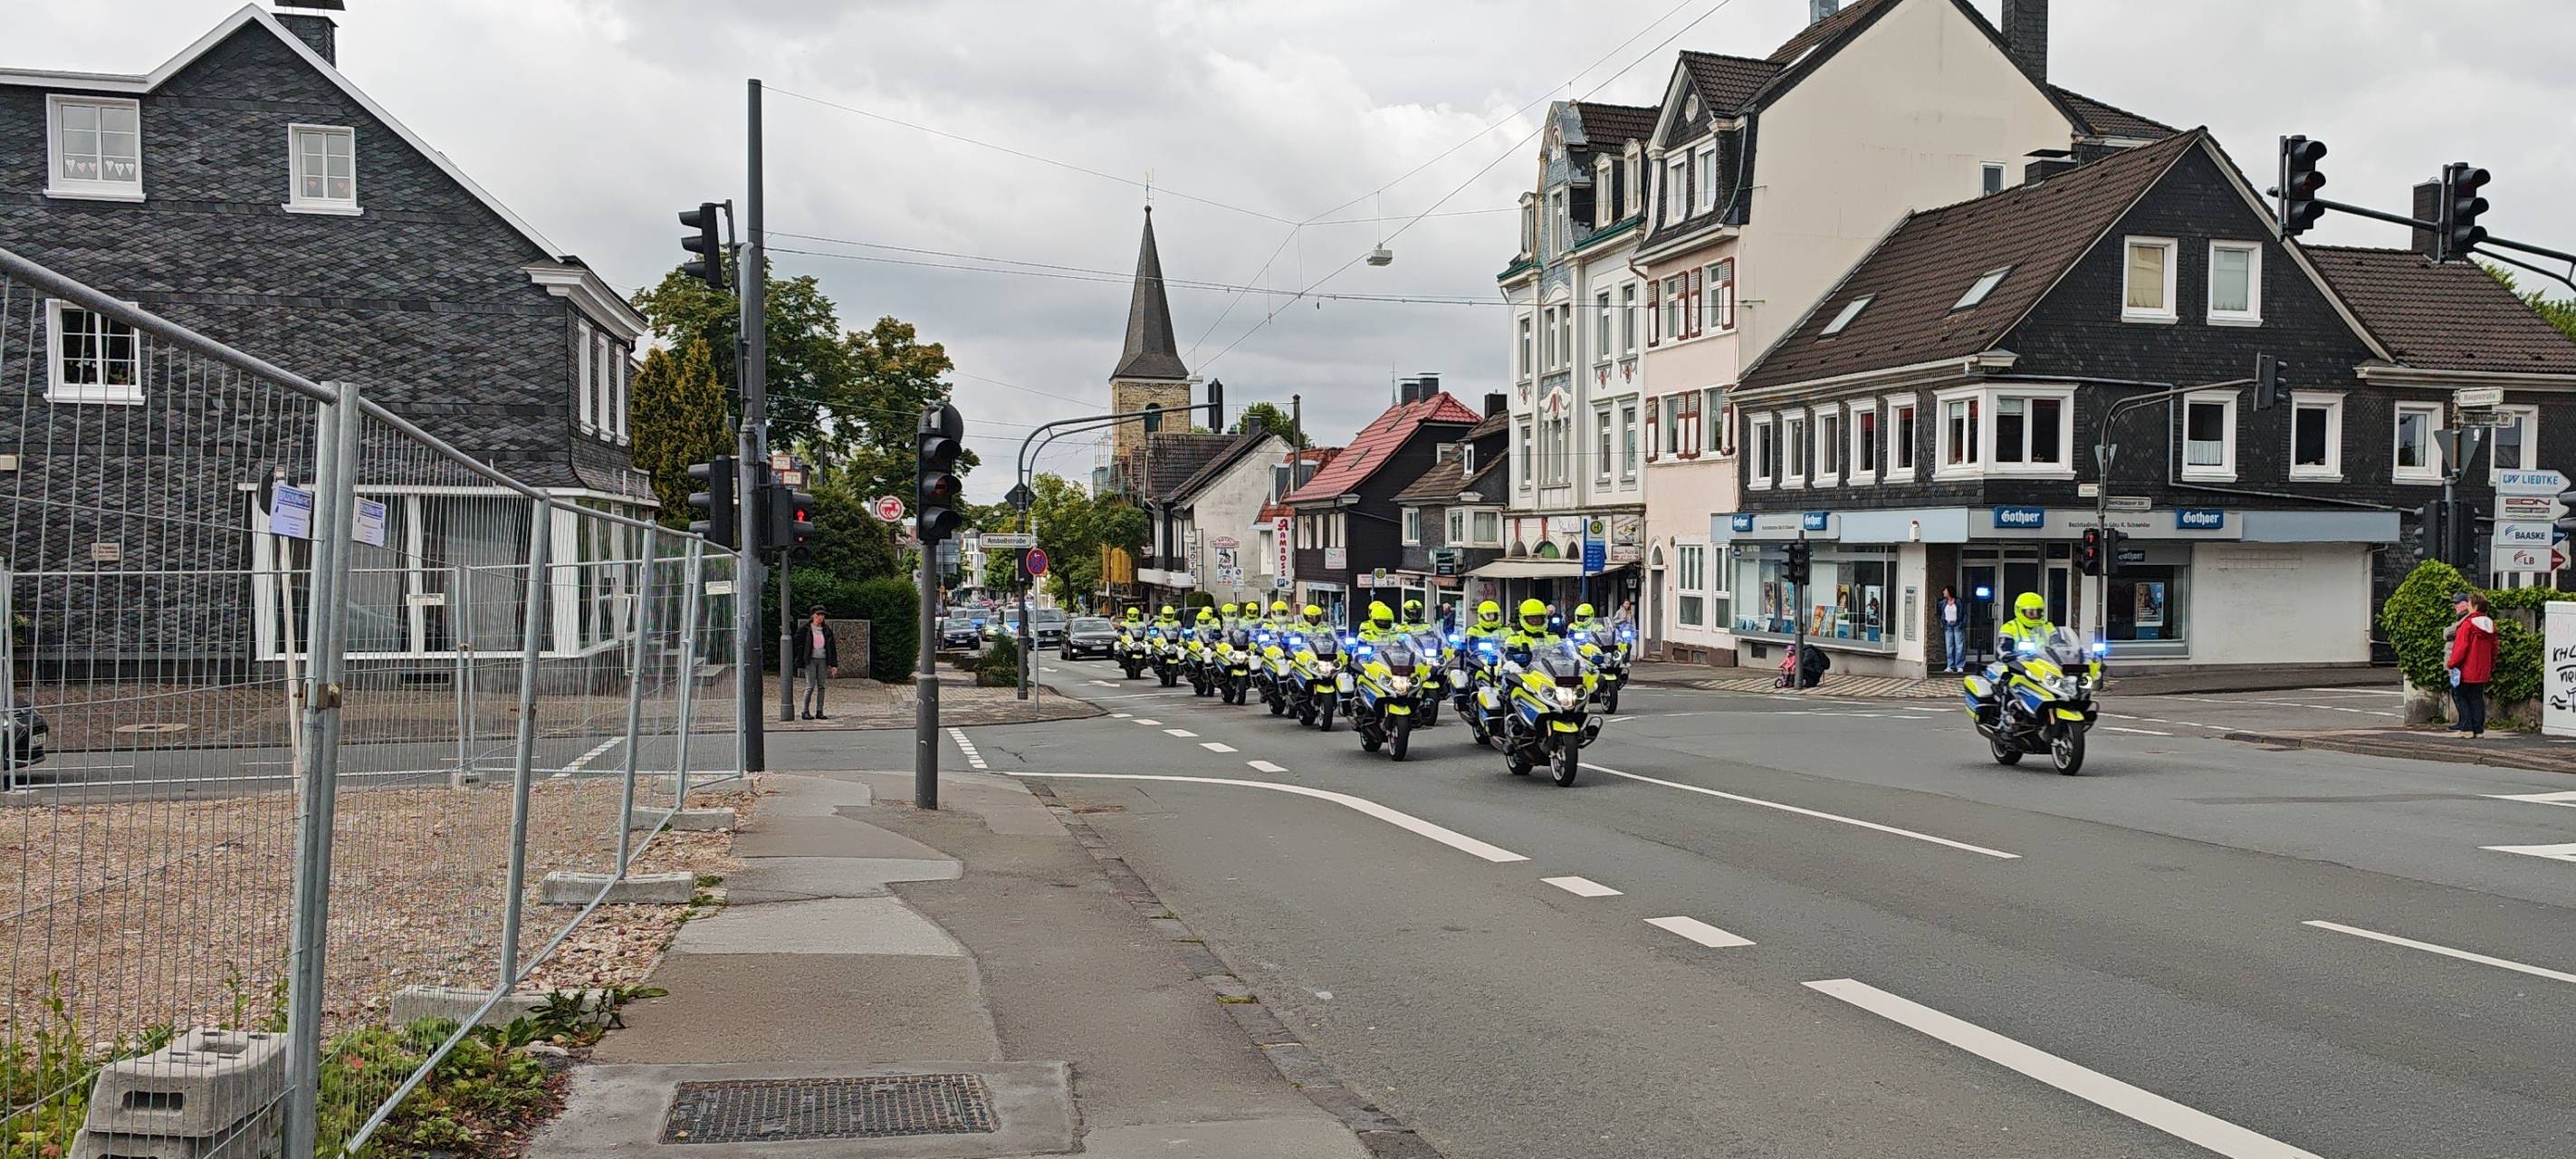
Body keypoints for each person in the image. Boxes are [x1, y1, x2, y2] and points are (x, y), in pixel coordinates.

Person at [2446, 591, 2497, 739]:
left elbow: (2461, 648)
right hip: (2482, 668)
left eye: (2468, 604)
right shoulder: (2490, 624)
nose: (2467, 607)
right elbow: (2494, 648)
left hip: (2466, 668)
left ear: (2474, 606)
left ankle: (2467, 728)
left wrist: (2451, 663)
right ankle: (2478, 729)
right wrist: (2491, 665)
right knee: (2476, 698)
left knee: (2461, 695)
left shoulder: (2467, 625)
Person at [793, 606, 838, 720]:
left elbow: (832, 648)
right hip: (810, 660)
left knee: (822, 686)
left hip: (823, 659)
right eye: (818, 615)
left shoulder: (827, 630)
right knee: (810, 686)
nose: (820, 617)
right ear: (813, 615)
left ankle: (819, 711)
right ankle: (805, 711)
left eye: (822, 615)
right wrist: (802, 656)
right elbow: (797, 642)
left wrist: (833, 665)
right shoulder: (806, 629)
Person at [1939, 586, 1966, 674]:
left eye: (1945, 591)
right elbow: (1941, 613)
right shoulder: (1943, 603)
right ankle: (1950, 665)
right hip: (1948, 625)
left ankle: (1960, 666)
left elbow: (1964, 613)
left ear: (1949, 592)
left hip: (1957, 625)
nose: (1943, 592)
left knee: (1959, 646)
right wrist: (1943, 623)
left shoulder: (1958, 602)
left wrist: (1962, 624)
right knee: (1949, 647)